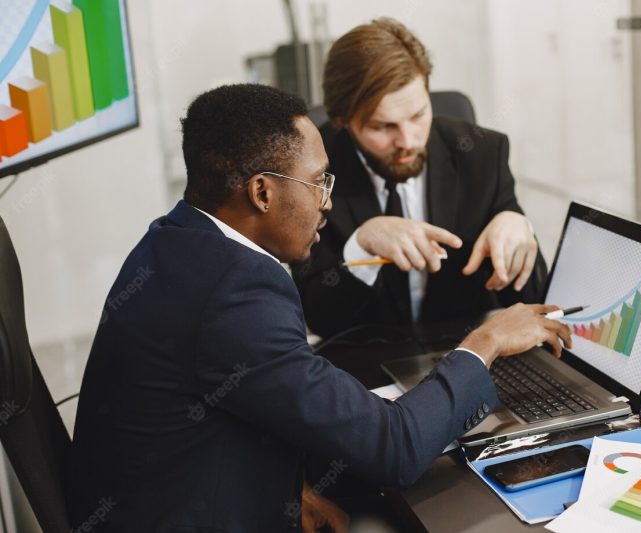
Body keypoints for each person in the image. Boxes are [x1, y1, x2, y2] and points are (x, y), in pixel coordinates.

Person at [67, 84, 571, 532]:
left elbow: (223, 412)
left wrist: (293, 493)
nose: (326, 202)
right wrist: (488, 341)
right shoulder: (235, 292)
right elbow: (394, 448)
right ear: (262, 192)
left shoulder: (175, 239)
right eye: (317, 182)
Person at [293, 18, 548, 339]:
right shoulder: (314, 173)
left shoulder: (481, 154)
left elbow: (534, 304)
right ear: (344, 120)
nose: (408, 140)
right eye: (383, 127)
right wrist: (360, 246)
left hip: (466, 352)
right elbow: (320, 319)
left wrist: (520, 230)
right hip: (365, 370)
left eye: (417, 116)